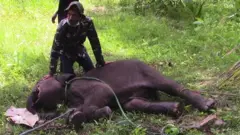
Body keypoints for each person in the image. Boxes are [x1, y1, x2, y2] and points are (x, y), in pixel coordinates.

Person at [46, 1, 105, 78]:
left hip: (79, 50)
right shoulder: (62, 26)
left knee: (92, 74)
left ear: (80, 17)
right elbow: (55, 49)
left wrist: (100, 61)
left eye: (74, 15)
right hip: (66, 53)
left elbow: (95, 42)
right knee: (67, 78)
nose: (70, 18)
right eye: (69, 14)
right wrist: (52, 71)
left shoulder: (87, 23)